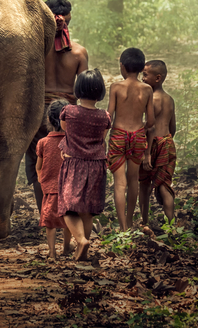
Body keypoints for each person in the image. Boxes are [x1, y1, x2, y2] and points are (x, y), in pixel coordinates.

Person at [24, 0, 89, 215]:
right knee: (68, 163)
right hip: (67, 114)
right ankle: (67, 213)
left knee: (39, 162)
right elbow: (83, 91)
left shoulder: (34, 50)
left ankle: (46, 214)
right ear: (66, 20)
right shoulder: (79, 53)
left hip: (37, 113)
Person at [57, 69, 111, 262]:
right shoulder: (105, 116)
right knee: (87, 210)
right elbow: (102, 137)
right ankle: (84, 243)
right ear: (100, 91)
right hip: (97, 165)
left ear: (78, 88)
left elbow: (65, 130)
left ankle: (81, 240)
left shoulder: (69, 111)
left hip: (74, 163)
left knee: (67, 207)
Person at [106, 47, 156, 231]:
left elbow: (109, 116)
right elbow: (151, 121)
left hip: (118, 135)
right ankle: (129, 220)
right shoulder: (147, 89)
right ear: (142, 67)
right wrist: (139, 128)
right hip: (137, 136)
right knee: (133, 179)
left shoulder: (116, 87)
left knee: (120, 183)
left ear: (122, 66)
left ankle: (122, 228)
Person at [139, 59, 177, 225]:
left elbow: (149, 127)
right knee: (164, 185)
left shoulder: (151, 100)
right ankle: (171, 224)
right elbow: (173, 127)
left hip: (152, 145)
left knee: (145, 185)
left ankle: (144, 222)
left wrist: (146, 152)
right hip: (167, 143)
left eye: (145, 75)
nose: (142, 78)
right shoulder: (169, 99)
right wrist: (166, 142)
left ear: (158, 78)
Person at [35, 100, 74, 259]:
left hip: (50, 189)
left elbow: (38, 166)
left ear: (49, 120)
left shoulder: (43, 142)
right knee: (69, 221)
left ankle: (51, 252)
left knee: (49, 223)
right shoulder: (71, 142)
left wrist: (41, 179)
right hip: (69, 189)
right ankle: (66, 247)